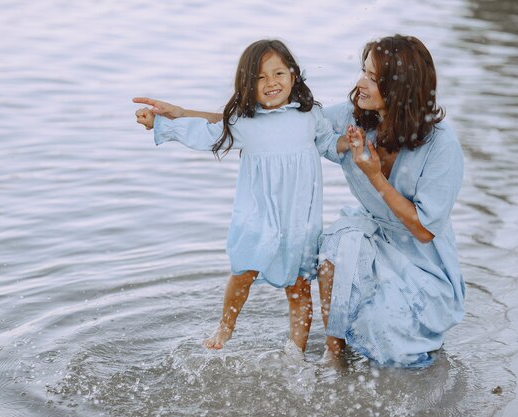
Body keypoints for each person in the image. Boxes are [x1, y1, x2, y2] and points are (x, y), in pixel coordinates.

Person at [133, 39, 348, 355]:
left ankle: (295, 352)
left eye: (278, 73)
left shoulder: (309, 115)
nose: (271, 83)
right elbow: (208, 135)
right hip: (258, 214)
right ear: (248, 84)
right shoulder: (245, 122)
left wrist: (351, 145)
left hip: (299, 218)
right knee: (244, 271)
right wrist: (164, 123)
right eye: (260, 77)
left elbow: (329, 143)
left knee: (300, 286)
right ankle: (226, 325)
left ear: (293, 75)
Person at [317, 34, 465, 366]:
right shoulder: (353, 118)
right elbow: (288, 122)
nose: (360, 84)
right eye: (363, 72)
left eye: (373, 78)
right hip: (375, 234)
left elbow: (424, 230)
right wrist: (189, 116)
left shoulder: (442, 145)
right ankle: (334, 352)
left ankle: (411, 336)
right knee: (334, 251)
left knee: (389, 343)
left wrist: (375, 176)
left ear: (402, 87)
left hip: (424, 260)